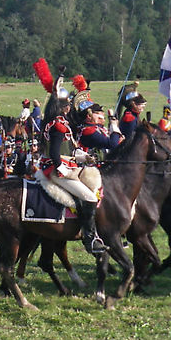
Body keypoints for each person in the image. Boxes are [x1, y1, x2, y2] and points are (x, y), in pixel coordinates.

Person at [38, 94, 107, 255]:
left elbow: (69, 150)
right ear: (62, 108)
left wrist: (85, 157)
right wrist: (62, 169)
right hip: (57, 171)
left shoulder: (62, 124)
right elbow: (55, 153)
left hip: (69, 167)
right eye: (67, 105)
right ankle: (89, 239)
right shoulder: (58, 126)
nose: (70, 108)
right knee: (90, 197)